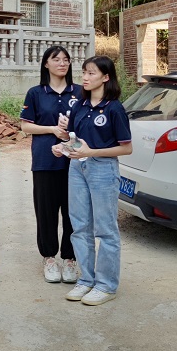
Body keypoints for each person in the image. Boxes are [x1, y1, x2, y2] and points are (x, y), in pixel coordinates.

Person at [52, 55, 132, 306]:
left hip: (103, 170)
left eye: (91, 73)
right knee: (79, 226)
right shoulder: (80, 105)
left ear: (106, 77)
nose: (85, 78)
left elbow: (126, 148)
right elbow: (76, 140)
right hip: (77, 167)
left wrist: (92, 152)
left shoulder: (114, 109)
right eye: (84, 72)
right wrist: (63, 146)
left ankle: (106, 285)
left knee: (105, 229)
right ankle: (86, 279)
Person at [20, 46, 80, 284]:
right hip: (45, 161)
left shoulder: (80, 92)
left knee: (73, 211)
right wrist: (52, 129)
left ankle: (70, 258)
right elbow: (25, 126)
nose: (62, 63)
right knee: (46, 211)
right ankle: (49, 258)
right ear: (46, 64)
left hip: (75, 160)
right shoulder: (36, 93)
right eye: (56, 59)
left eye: (66, 59)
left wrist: (70, 130)